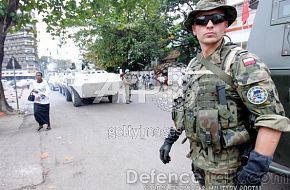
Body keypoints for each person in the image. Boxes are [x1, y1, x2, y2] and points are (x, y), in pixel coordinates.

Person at [159, 0, 290, 189]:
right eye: (202, 20)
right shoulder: (192, 66)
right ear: (194, 29)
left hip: (230, 170)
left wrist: (255, 169)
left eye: (216, 18)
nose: (210, 24)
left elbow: (272, 119)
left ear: (225, 24)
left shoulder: (242, 63)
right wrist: (170, 139)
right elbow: (182, 108)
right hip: (200, 163)